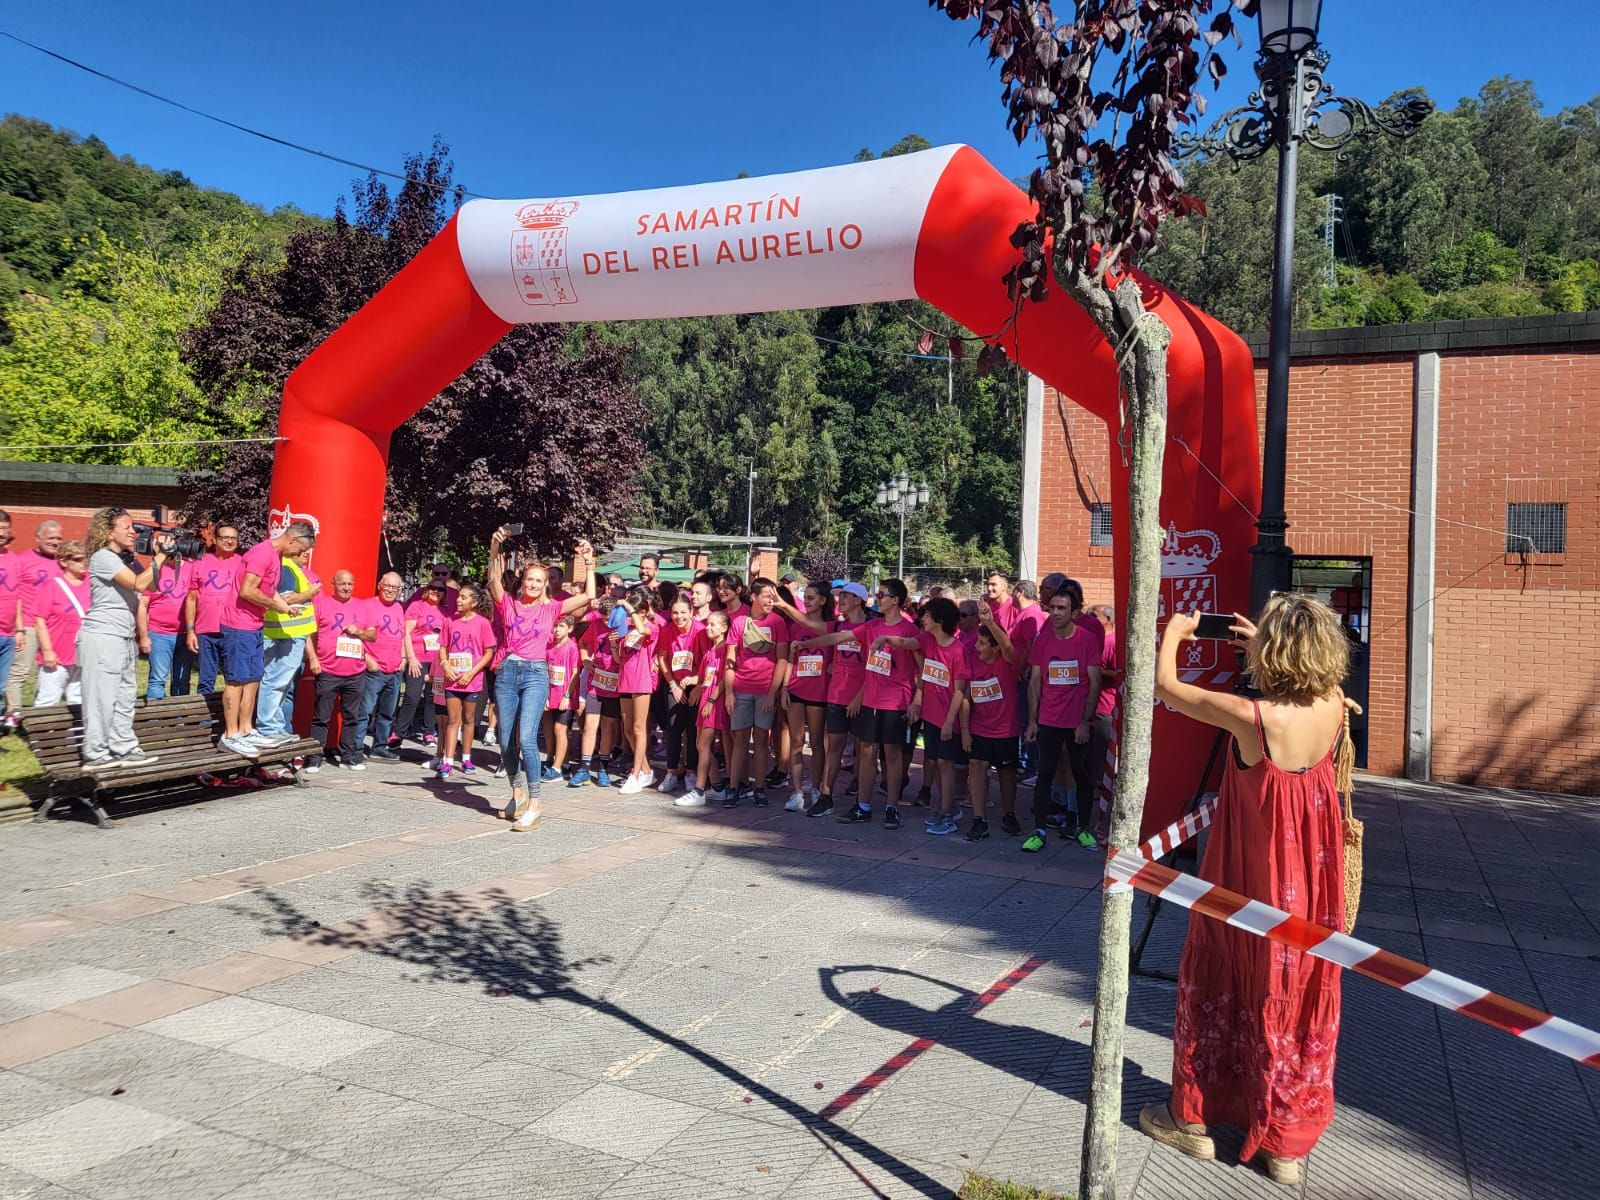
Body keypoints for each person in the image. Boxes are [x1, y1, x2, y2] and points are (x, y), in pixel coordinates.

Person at [1141, 596, 1355, 1187]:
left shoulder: (1253, 718)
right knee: (1294, 985)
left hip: (1249, 873)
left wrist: (1179, 634)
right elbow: (1308, 679)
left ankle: (1194, 1117)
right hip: (1310, 879)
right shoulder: (1334, 705)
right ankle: (1283, 1144)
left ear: (1274, 650)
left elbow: (1165, 687)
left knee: (1226, 975)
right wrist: (1267, 638)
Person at [486, 532, 595, 826]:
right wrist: (496, 546)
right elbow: (493, 578)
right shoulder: (508, 604)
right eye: (529, 579)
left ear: (545, 583)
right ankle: (517, 793)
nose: (533, 584)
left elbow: (589, 597)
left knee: (526, 738)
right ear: (523, 581)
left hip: (535, 673)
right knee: (506, 741)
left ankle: (535, 801)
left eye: (538, 580)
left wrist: (590, 563)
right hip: (508, 672)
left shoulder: (552, 608)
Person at [797, 578, 918, 829]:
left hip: (896, 701)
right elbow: (835, 638)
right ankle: (862, 806)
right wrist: (807, 644)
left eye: (882, 595)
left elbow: (917, 655)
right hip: (871, 700)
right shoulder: (872, 626)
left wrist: (917, 701)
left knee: (892, 754)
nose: (878, 598)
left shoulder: (909, 629)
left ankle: (892, 807)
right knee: (866, 752)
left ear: (895, 600)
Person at [218, 521, 316, 758]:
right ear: (292, 539)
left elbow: (268, 589)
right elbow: (247, 590)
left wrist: (284, 606)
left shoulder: (276, 558)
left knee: (253, 679)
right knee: (236, 681)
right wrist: (276, 605)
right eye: (300, 549)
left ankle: (246, 730)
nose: (300, 555)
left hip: (254, 625)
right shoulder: (262, 553)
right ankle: (230, 735)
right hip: (237, 625)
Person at [76, 509, 165, 770]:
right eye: (126, 527)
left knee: (125, 697)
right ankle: (95, 753)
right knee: (101, 698)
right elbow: (138, 584)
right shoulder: (103, 557)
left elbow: (152, 586)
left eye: (133, 527)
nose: (132, 532)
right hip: (103, 636)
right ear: (107, 531)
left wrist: (163, 556)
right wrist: (161, 556)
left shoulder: (127, 558)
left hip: (124, 638)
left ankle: (123, 747)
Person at [1025, 589, 1103, 851]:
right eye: (1053, 607)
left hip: (1076, 721)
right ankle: (1039, 830)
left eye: (1061, 608)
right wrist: (1032, 721)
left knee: (1080, 772)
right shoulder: (1043, 641)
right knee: (1044, 772)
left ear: (1075, 613)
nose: (1055, 613)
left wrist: (1084, 721)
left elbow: (1094, 683)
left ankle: (1082, 827)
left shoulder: (1087, 640)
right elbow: (1035, 682)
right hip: (1048, 719)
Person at [722, 577, 789, 808]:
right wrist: (729, 692)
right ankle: (734, 787)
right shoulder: (739, 622)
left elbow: (782, 659)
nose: (771, 601)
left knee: (761, 741)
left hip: (764, 690)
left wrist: (773, 693)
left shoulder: (778, 622)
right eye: (767, 596)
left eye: (773, 596)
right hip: (741, 688)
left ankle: (759, 787)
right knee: (739, 740)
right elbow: (730, 658)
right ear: (753, 597)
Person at [305, 570, 375, 771]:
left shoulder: (362, 606)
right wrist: (313, 659)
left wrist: (359, 632)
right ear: (333, 584)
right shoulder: (320, 604)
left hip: (355, 672)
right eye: (342, 584)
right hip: (328, 670)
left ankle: (348, 757)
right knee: (321, 717)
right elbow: (307, 634)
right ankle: (315, 757)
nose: (346, 588)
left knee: (352, 717)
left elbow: (373, 635)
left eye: (350, 584)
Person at [773, 582, 833, 812]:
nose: (806, 601)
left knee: (817, 743)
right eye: (805, 597)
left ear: (823, 601)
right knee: (797, 742)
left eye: (811, 597)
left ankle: (816, 788)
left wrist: (834, 664)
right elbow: (789, 659)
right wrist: (785, 688)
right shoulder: (795, 627)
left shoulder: (830, 626)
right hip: (796, 689)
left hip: (819, 692)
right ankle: (797, 792)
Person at [256, 545, 320, 741]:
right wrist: (309, 594)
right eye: (302, 551)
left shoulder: (290, 568)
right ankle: (268, 727)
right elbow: (285, 599)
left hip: (288, 633)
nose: (305, 555)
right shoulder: (285, 568)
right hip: (283, 634)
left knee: (280, 685)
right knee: (275, 683)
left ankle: (274, 726)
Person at [435, 583, 496, 780]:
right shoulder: (450, 621)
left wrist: (472, 672)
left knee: (469, 720)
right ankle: (447, 761)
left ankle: (467, 758)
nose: (458, 600)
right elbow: (443, 646)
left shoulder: (482, 623)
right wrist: (445, 665)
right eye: (458, 596)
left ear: (474, 602)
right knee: (453, 720)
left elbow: (489, 651)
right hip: (452, 679)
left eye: (463, 597)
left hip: (472, 680)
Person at [7, 519, 63, 715]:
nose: (55, 542)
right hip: (29, 624)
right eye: (50, 538)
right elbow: (13, 593)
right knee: (20, 671)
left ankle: (41, 713)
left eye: (59, 538)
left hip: (53, 627)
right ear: (38, 538)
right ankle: (13, 715)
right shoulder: (21, 560)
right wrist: (19, 628)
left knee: (50, 670)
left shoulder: (63, 562)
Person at [676, 610, 731, 807]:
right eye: (707, 624)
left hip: (714, 702)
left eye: (713, 625)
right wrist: (690, 680)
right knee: (701, 745)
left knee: (705, 745)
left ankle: (699, 790)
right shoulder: (709, 651)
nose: (708, 627)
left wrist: (712, 700)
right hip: (705, 700)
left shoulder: (726, 649)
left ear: (724, 628)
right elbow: (702, 678)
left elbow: (726, 678)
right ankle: (716, 787)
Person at [656, 595, 706, 794]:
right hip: (675, 684)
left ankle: (691, 772)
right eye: (675, 612)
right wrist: (673, 685)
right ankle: (671, 772)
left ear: (691, 612)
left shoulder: (701, 631)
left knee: (693, 730)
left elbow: (707, 661)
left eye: (683, 612)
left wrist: (698, 685)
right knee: (674, 728)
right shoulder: (667, 630)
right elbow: (662, 658)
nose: (679, 617)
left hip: (695, 685)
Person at [614, 586, 660, 794]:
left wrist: (629, 608)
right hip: (625, 679)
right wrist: (614, 645)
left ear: (641, 611)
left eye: (633, 610)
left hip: (642, 680)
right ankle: (647, 770)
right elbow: (619, 659)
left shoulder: (651, 626)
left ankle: (636, 774)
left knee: (639, 727)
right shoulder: (629, 630)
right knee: (627, 729)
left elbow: (644, 631)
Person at [34, 540, 91, 706]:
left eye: (86, 559)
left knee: (79, 698)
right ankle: (43, 731)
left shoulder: (91, 583)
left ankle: (78, 731)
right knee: (48, 698)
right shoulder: (52, 586)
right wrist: (47, 650)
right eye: (78, 559)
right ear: (64, 561)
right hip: (58, 652)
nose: (84, 563)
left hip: (84, 653)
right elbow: (39, 620)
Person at [358, 572, 409, 760]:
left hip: (395, 669)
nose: (390, 591)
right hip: (374, 668)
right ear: (380, 585)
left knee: (388, 712)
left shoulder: (398, 608)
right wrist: (366, 657)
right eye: (387, 586)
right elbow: (357, 634)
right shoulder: (367, 605)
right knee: (365, 710)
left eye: (394, 588)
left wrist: (403, 658)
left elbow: (402, 634)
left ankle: (380, 745)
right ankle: (356, 747)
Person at [396, 573, 448, 747]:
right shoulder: (416, 606)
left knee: (432, 696)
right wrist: (410, 657)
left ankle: (428, 732)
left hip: (436, 660)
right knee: (411, 695)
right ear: (427, 590)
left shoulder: (445, 611)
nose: (436, 591)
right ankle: (399, 732)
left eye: (441, 589)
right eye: (433, 588)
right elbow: (406, 633)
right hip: (417, 657)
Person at [188, 524, 241, 695]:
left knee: (234, 680)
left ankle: (229, 720)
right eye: (225, 537)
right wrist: (190, 630)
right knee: (205, 681)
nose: (229, 541)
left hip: (233, 630)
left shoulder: (243, 564)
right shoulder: (201, 563)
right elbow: (191, 598)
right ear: (215, 540)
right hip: (206, 630)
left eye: (233, 538)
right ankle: (205, 721)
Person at [137, 551, 197, 700]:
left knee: (182, 680)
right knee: (157, 679)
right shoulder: (154, 571)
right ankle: (156, 720)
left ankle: (181, 719)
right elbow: (142, 605)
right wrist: (144, 636)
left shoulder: (192, 569)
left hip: (186, 635)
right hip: (159, 634)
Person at [541, 615, 582, 780]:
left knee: (561, 729)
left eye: (562, 626)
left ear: (570, 629)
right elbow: (545, 670)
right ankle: (554, 761)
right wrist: (545, 695)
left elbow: (575, 673)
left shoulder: (572, 647)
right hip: (550, 695)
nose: (557, 630)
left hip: (566, 696)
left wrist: (567, 695)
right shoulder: (549, 646)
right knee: (549, 729)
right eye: (556, 626)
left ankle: (558, 769)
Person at [0, 510, 18, 730]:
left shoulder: (13, 559)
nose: (2, 533)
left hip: (9, 634)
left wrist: (20, 630)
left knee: (1, 685)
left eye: (5, 528)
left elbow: (17, 596)